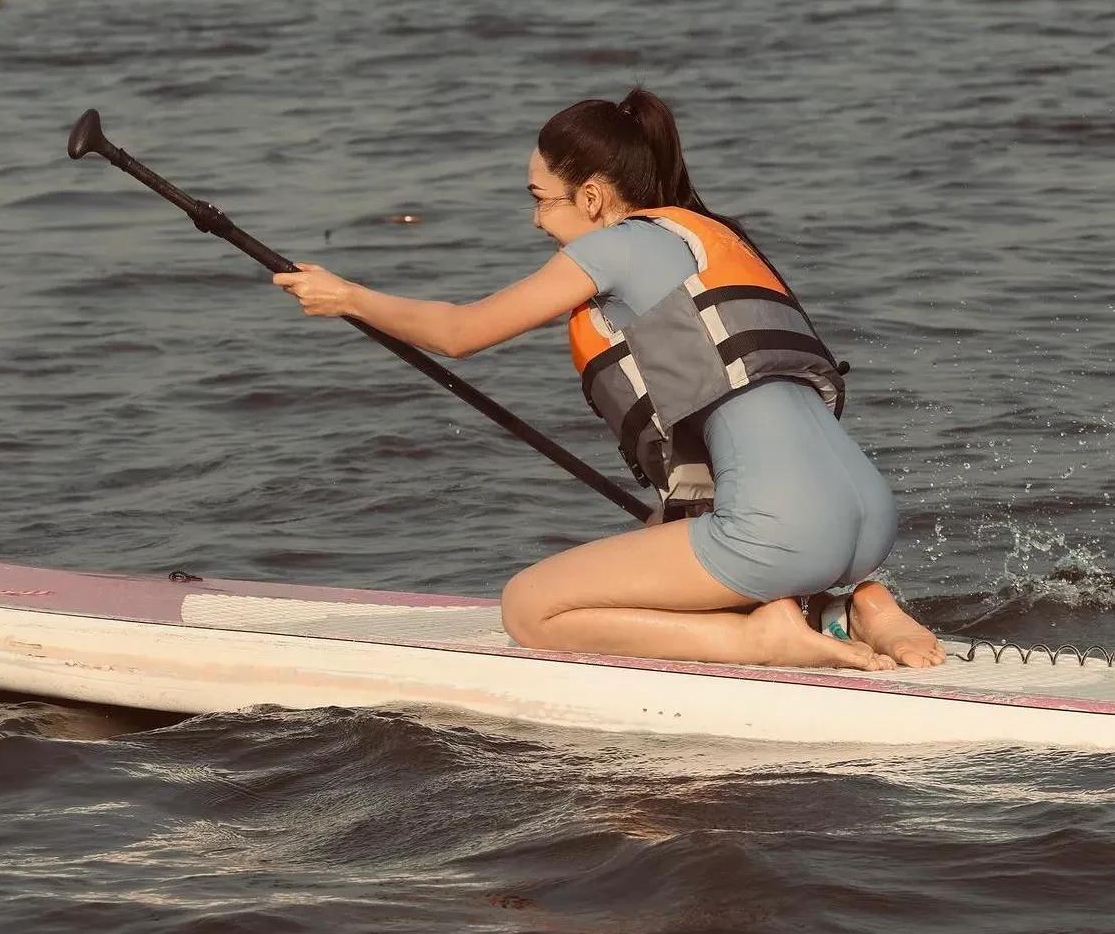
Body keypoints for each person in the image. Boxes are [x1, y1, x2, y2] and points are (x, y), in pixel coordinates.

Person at [273, 88, 945, 673]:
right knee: (667, 538)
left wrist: (347, 297)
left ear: (591, 195)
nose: (537, 220)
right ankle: (861, 604)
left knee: (530, 609)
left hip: (783, 531)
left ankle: (759, 637)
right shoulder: (707, 237)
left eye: (540, 200)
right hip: (867, 519)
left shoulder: (613, 244)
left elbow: (460, 332)